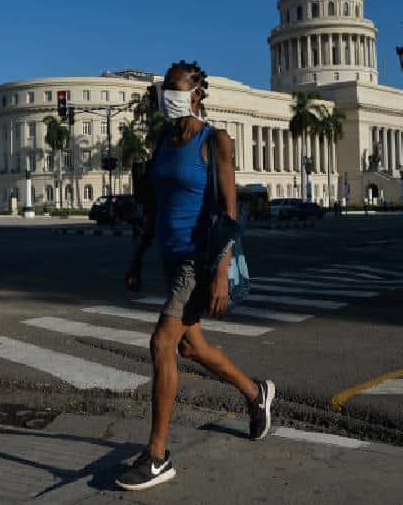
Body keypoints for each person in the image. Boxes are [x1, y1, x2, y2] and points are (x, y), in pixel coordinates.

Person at [119, 61, 274, 491]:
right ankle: (255, 393)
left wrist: (220, 271)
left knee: (161, 343)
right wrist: (137, 259)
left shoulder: (215, 140)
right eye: (163, 88)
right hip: (170, 258)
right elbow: (153, 209)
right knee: (191, 347)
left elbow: (229, 211)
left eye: (173, 87)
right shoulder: (164, 143)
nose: (165, 94)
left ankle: (157, 455)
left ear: (196, 92)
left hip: (197, 259)